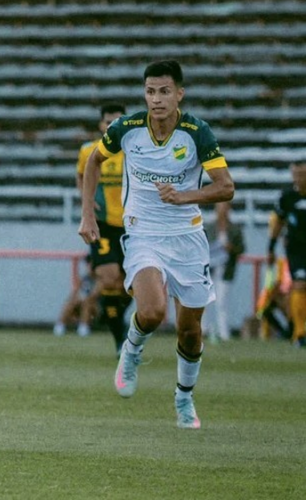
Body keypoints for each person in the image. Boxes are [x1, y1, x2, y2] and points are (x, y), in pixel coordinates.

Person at [79, 60, 234, 429]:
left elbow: (225, 187)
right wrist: (88, 215)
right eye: (151, 91)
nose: (157, 99)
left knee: (190, 331)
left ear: (179, 94)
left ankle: (184, 399)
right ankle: (131, 349)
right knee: (151, 312)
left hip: (187, 237)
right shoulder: (127, 128)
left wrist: (184, 197)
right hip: (143, 232)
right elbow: (94, 162)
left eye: (164, 91)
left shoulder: (196, 132)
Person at [65, 104, 132, 348]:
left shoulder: (135, 151)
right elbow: (81, 175)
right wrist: (87, 200)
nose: (112, 126)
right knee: (109, 277)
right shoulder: (89, 151)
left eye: (117, 122)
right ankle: (118, 337)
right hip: (102, 224)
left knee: (130, 285)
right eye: (108, 122)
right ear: (100, 125)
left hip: (132, 226)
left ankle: (118, 320)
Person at [267, 159, 306, 347]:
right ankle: (299, 334)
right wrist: (271, 247)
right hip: (297, 250)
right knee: (299, 285)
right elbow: (278, 222)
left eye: (302, 174)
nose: (298, 178)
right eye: (296, 175)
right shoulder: (287, 197)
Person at [203, 201, 244, 342]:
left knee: (222, 301)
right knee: (206, 301)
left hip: (226, 270)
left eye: (225, 208)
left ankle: (224, 332)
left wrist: (231, 248)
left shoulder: (235, 229)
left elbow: (241, 248)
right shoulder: (209, 228)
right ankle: (205, 329)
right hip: (210, 270)